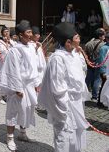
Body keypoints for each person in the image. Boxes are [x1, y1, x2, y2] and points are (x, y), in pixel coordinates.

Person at [38, 22, 89, 152]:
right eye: (76, 38)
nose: (79, 40)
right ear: (68, 42)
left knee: (77, 133)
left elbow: (82, 73)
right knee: (64, 134)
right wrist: (63, 110)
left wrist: (80, 54)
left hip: (76, 101)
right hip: (65, 104)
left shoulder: (74, 54)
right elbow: (57, 88)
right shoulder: (57, 59)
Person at [0, 20, 39, 152]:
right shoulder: (15, 50)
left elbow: (34, 67)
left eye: (31, 32)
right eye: (28, 32)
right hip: (19, 86)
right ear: (21, 35)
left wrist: (36, 83)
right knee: (14, 111)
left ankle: (22, 134)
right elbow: (12, 69)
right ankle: (9, 137)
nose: (31, 34)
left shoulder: (32, 47)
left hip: (29, 84)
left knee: (27, 110)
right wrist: (17, 88)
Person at [84, 28, 105, 100]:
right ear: (100, 36)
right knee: (97, 79)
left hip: (90, 63)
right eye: (103, 35)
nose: (104, 37)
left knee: (88, 79)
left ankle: (83, 93)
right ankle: (94, 96)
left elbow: (85, 52)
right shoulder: (103, 45)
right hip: (98, 63)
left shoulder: (88, 43)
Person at [95, 32, 109, 107]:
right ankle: (100, 101)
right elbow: (101, 60)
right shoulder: (104, 48)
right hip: (105, 71)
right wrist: (103, 72)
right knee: (103, 86)